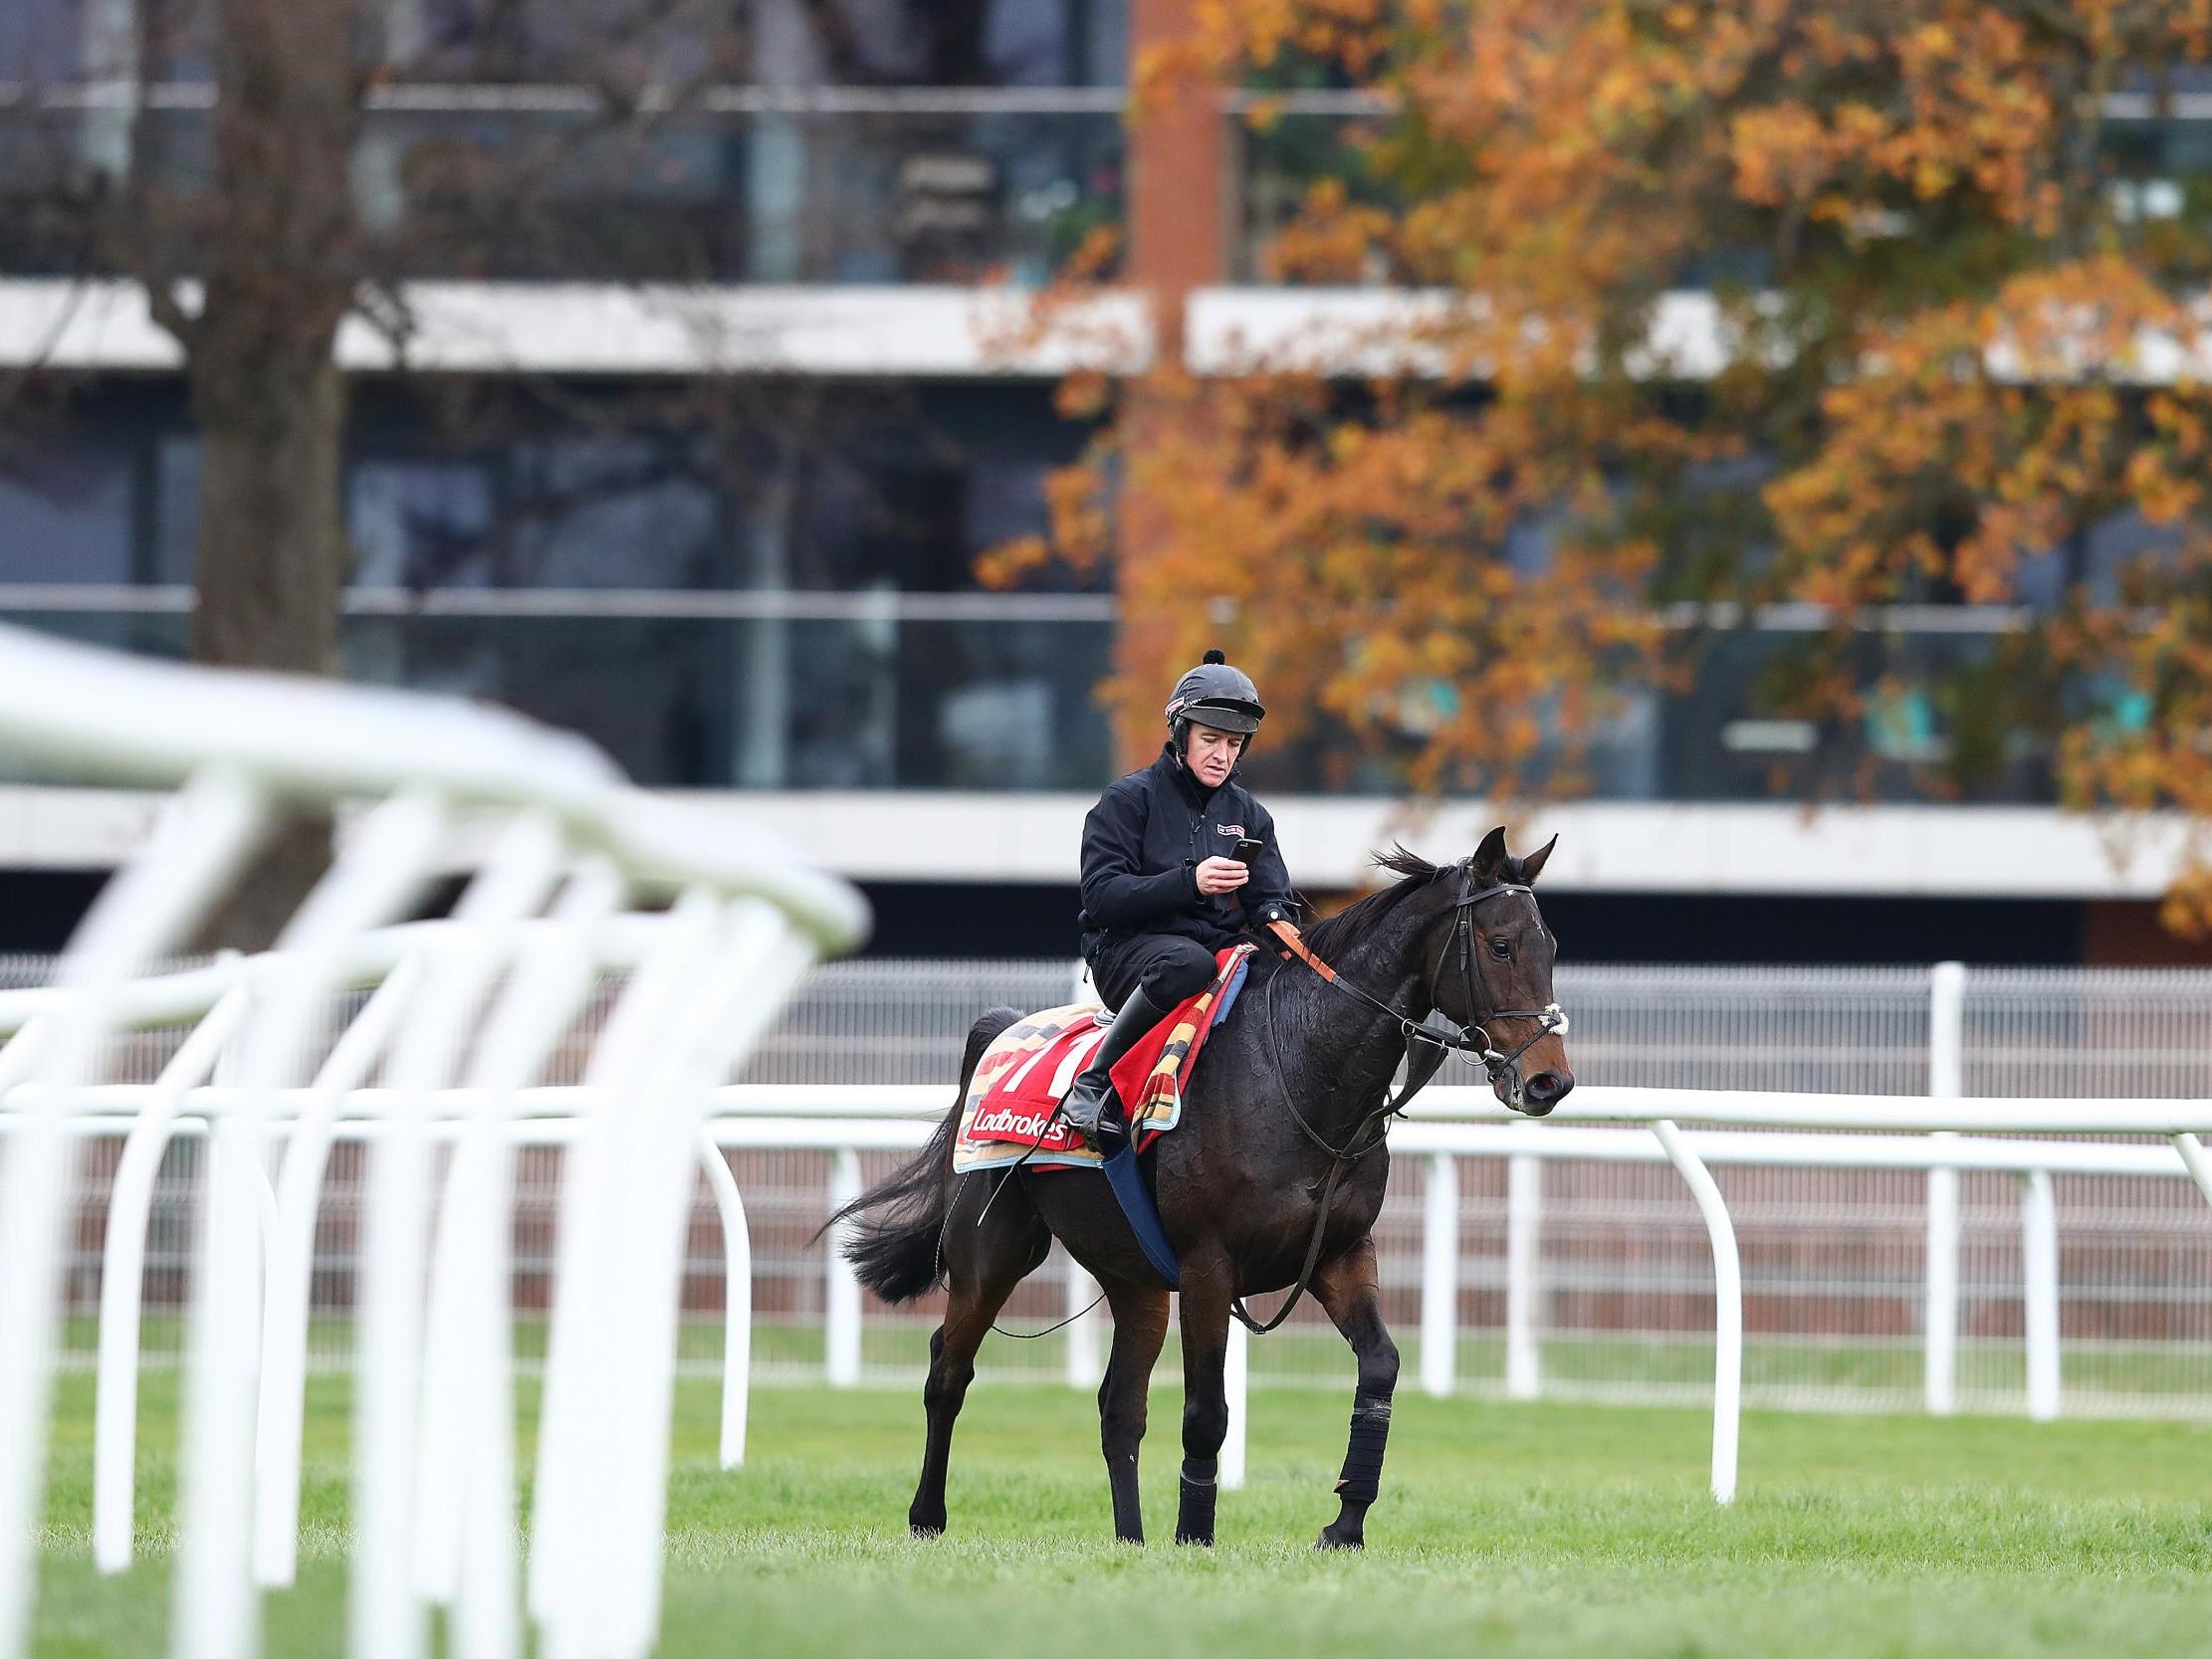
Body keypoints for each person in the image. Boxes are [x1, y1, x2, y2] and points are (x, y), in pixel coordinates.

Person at [1060, 649, 1295, 1150]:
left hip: (1208, 952)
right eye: (1210, 739)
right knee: (1188, 963)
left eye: (1233, 744)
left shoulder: (1251, 814)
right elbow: (1100, 898)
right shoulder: (1127, 799)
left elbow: (1272, 901)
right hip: (1126, 952)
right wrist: (1191, 883)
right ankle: (1093, 1083)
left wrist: (1283, 932)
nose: (1222, 755)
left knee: (1272, 967)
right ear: (1181, 734)